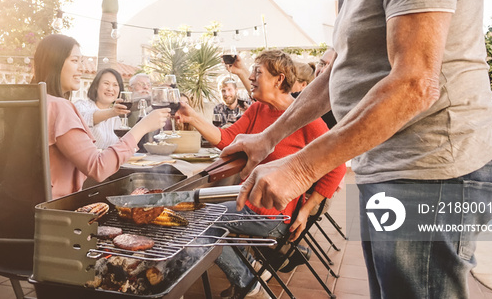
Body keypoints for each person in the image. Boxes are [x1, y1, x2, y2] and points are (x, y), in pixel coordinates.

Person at [223, 0, 492, 298]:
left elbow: (415, 83)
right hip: (393, 172)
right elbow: (336, 75)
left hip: (432, 174)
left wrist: (298, 170)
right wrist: (268, 139)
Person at [176, 49, 346, 298]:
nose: (251, 77)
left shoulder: (305, 116)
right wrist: (192, 117)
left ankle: (246, 279)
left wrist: (307, 210)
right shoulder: (257, 110)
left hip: (273, 214)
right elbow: (226, 138)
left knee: (198, 221)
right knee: (198, 215)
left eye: (258, 72)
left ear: (279, 79)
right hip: (246, 201)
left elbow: (338, 166)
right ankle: (250, 268)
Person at [31, 34, 169, 198]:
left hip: (20, 207)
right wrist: (143, 127)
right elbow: (98, 167)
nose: (81, 68)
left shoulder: (32, 102)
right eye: (75, 61)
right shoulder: (59, 107)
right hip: (54, 211)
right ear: (54, 63)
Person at [73, 68, 130, 150]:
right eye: (106, 83)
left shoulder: (115, 118)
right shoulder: (82, 105)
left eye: (115, 85)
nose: (110, 89)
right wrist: (112, 112)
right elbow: (87, 118)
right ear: (96, 86)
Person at [314, 48, 337, 128]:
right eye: (322, 64)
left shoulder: (347, 108)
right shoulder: (298, 99)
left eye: (332, 67)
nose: (323, 70)